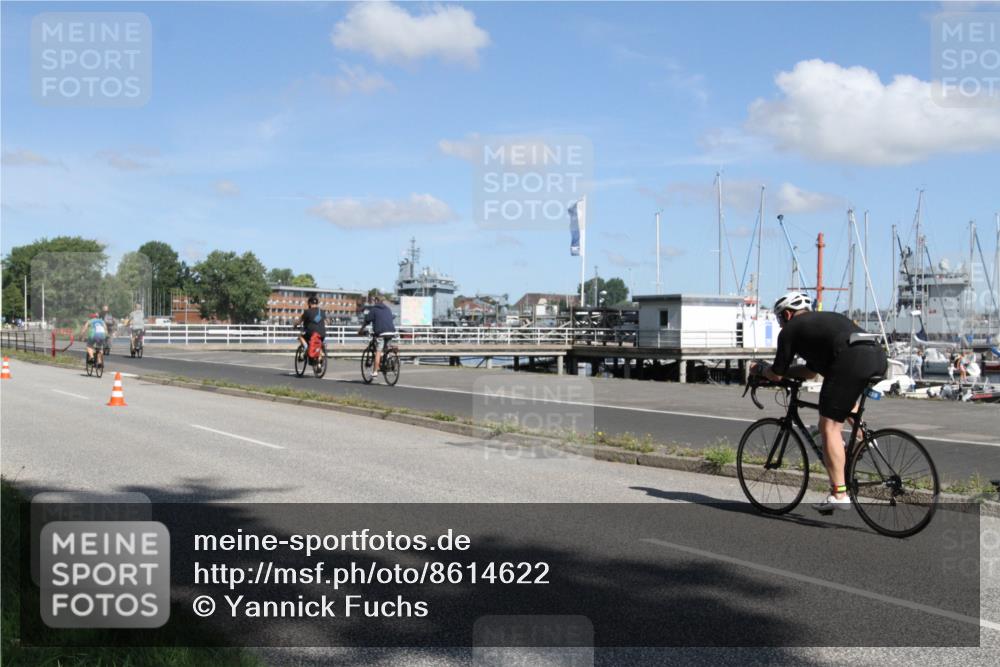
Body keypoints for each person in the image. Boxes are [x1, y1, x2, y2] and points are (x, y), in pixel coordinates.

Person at [752, 292, 887, 513]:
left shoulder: (791, 330)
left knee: (829, 426)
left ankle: (839, 494)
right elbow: (810, 371)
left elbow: (776, 373)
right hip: (876, 356)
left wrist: (759, 370)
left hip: (850, 359)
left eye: (779, 319)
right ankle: (864, 438)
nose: (780, 324)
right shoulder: (823, 323)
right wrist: (787, 374)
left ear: (787, 314)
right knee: (842, 400)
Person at [358, 292, 396, 378]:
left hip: (381, 333)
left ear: (376, 300)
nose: (374, 301)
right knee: (386, 348)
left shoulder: (374, 309)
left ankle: (375, 371)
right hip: (391, 332)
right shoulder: (388, 309)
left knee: (378, 351)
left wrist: (361, 330)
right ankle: (390, 361)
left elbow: (367, 320)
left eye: (374, 300)